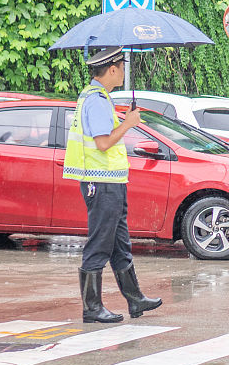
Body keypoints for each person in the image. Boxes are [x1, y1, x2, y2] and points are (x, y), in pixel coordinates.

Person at [62, 47, 162, 324]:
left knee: (119, 244)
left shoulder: (100, 97)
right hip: (101, 182)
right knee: (100, 244)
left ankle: (135, 299)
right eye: (122, 66)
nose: (124, 70)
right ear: (112, 69)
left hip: (111, 182)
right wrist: (129, 124)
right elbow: (103, 142)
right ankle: (92, 308)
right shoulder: (95, 100)